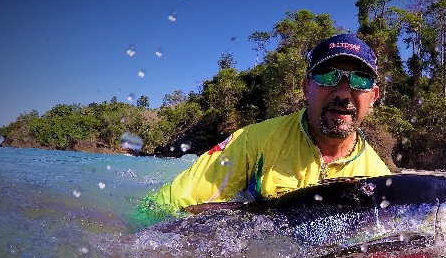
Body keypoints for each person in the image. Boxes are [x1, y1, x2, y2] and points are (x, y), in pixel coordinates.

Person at [152, 33, 391, 213]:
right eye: (327, 75)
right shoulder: (253, 142)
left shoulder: (380, 180)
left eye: (360, 80)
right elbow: (165, 206)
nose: (342, 93)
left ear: (373, 96)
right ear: (307, 87)